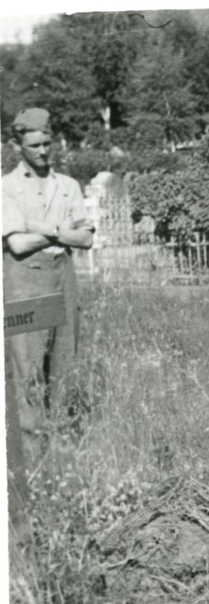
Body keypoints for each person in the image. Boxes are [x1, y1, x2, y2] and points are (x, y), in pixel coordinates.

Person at [2, 108, 94, 442]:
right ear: (17, 146)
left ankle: (64, 459)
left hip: (62, 278)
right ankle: (34, 465)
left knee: (64, 368)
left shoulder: (67, 186)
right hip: (25, 281)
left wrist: (39, 226)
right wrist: (59, 230)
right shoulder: (7, 187)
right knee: (29, 372)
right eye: (34, 145)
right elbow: (19, 244)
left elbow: (85, 238)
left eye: (47, 143)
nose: (43, 151)